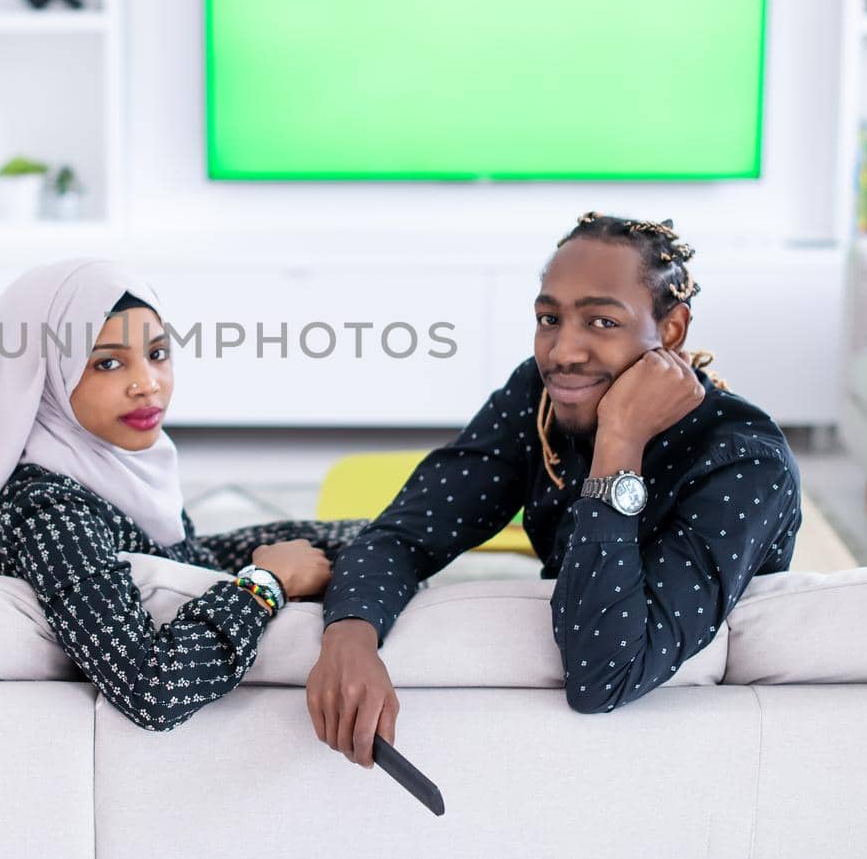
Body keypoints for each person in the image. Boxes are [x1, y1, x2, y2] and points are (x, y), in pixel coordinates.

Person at [306, 213, 803, 765]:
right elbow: (406, 531)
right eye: (549, 318)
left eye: (602, 323)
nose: (563, 352)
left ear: (672, 331)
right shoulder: (541, 397)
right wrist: (349, 636)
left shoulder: (745, 462)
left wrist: (620, 440)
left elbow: (603, 676)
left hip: (662, 751)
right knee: (301, 543)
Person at [0, 258, 367, 732]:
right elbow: (154, 689)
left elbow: (181, 558)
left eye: (158, 353)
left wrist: (351, 539)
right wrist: (265, 583)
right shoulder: (48, 513)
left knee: (373, 539)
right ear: (42, 375)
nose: (147, 383)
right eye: (107, 362)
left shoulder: (108, 470)